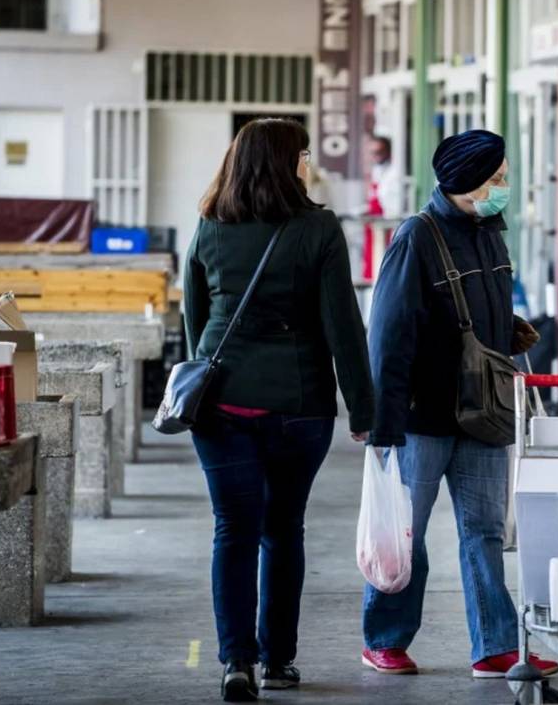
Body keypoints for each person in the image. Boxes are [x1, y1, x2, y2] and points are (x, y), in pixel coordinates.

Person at [184, 119, 375, 702]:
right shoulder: (317, 228)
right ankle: (277, 661)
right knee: (282, 529)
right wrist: (363, 408)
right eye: (304, 154)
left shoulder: (211, 224)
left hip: (222, 404)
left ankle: (235, 662)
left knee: (232, 530)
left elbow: (194, 317)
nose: (308, 163)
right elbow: (343, 325)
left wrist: (206, 375)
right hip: (300, 405)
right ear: (289, 161)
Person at [362, 129, 554, 679]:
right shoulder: (415, 238)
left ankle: (495, 645)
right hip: (423, 417)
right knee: (405, 534)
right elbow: (389, 336)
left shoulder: (489, 232)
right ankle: (386, 637)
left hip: (484, 412)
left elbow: (472, 310)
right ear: (468, 180)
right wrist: (384, 424)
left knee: (485, 531)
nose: (504, 187)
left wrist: (507, 329)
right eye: (497, 178)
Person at [363, 135, 405, 280]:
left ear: (388, 151)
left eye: (379, 152)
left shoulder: (394, 174)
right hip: (373, 226)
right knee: (372, 267)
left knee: (385, 267)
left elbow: (392, 205)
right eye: (372, 152)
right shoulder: (376, 171)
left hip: (387, 226)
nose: (375, 156)